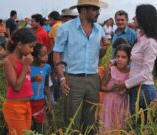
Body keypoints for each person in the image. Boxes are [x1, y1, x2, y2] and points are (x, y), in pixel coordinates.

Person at [53, 0, 109, 134]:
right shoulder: (66, 28)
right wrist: (61, 78)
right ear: (83, 10)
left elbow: (99, 55)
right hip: (72, 79)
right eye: (94, 9)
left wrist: (105, 48)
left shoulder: (99, 29)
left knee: (91, 119)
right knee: (72, 119)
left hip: (93, 79)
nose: (98, 13)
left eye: (98, 10)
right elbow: (56, 55)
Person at [115, 4, 157, 125]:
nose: (133, 18)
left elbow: (145, 73)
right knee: (136, 125)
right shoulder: (140, 38)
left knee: (140, 127)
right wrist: (114, 62)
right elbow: (134, 62)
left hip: (144, 91)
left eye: (136, 16)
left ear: (144, 18)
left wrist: (125, 84)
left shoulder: (150, 43)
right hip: (136, 88)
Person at [2, 28, 36, 135]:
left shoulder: (24, 58)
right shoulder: (9, 61)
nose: (32, 50)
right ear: (20, 45)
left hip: (26, 104)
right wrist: (26, 65)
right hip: (14, 106)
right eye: (30, 46)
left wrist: (34, 78)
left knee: (26, 133)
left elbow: (25, 80)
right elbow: (16, 87)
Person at [100, 45, 131, 133]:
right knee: (108, 125)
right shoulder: (111, 70)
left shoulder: (131, 73)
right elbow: (101, 87)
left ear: (129, 59)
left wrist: (125, 89)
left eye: (123, 57)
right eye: (118, 56)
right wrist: (112, 89)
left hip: (123, 103)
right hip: (110, 103)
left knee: (120, 125)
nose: (120, 59)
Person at [30, 43, 51, 133]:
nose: (46, 57)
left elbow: (46, 85)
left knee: (41, 128)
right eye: (42, 55)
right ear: (34, 55)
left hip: (40, 102)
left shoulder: (47, 67)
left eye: (46, 54)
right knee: (28, 127)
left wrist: (49, 101)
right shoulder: (28, 67)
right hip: (27, 101)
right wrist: (34, 79)